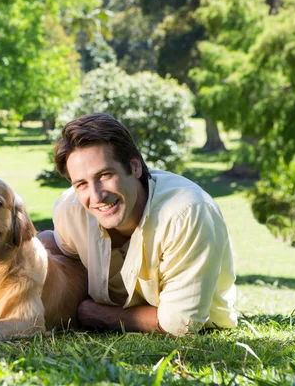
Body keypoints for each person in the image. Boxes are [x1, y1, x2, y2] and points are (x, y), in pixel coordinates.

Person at [39, 113, 237, 336]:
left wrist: (93, 314)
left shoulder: (186, 213)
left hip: (204, 324)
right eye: (81, 184)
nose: (96, 196)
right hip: (128, 309)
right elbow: (56, 250)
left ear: (134, 167)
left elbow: (181, 324)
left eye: (105, 175)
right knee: (43, 244)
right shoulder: (71, 208)